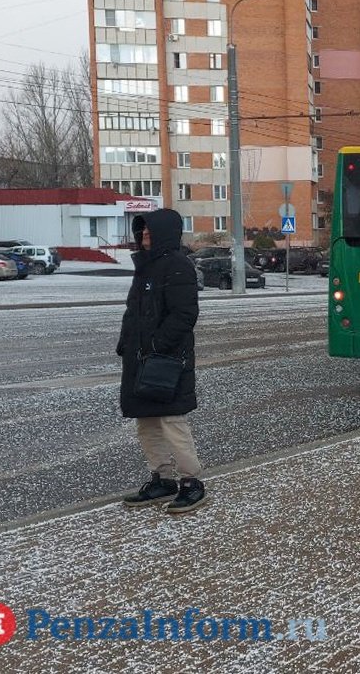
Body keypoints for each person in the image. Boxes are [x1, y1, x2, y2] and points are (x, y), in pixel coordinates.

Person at [117, 208, 207, 514]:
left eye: (149, 232)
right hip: (140, 359)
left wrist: (157, 345)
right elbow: (133, 312)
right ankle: (162, 478)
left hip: (167, 360)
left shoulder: (178, 266)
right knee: (146, 423)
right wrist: (125, 343)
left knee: (172, 421)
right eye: (141, 232)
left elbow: (184, 315)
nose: (143, 236)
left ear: (164, 234)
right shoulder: (145, 266)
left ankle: (191, 481)